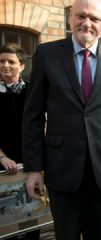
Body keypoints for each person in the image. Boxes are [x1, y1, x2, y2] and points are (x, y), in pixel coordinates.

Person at [21, 0, 101, 239]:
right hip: (62, 168)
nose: (87, 23)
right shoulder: (47, 54)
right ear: (70, 18)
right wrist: (33, 169)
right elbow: (33, 116)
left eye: (94, 19)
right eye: (81, 16)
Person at [0, 43, 40, 240]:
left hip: (30, 164)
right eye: (1, 61)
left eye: (11, 61)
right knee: (7, 221)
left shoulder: (33, 92)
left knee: (32, 217)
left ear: (22, 66)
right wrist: (2, 157)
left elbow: (43, 126)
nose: (5, 65)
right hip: (3, 165)